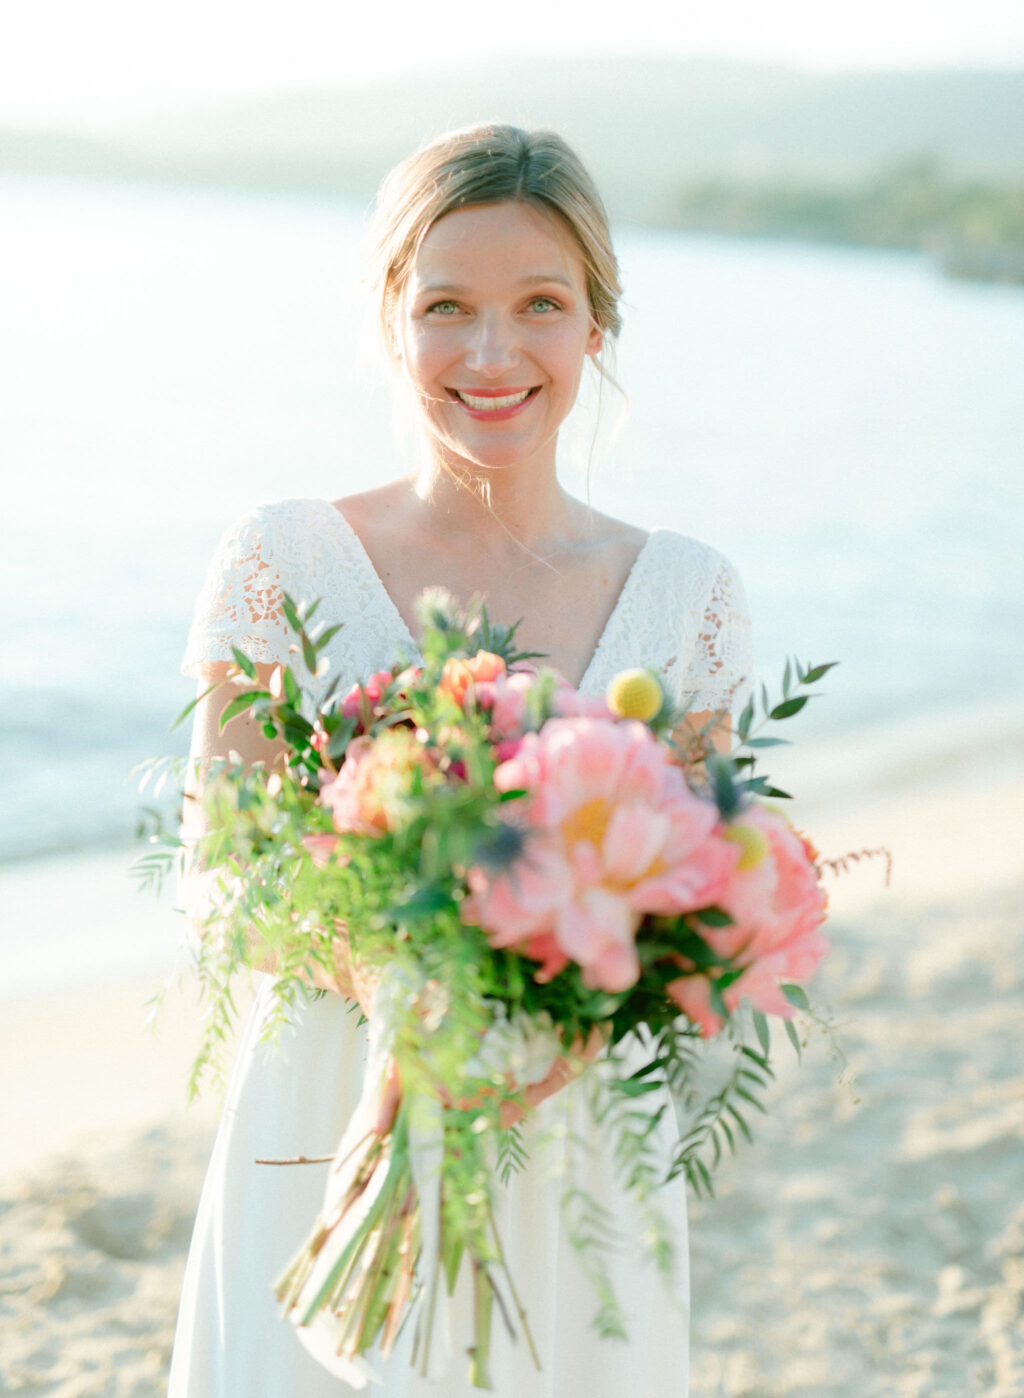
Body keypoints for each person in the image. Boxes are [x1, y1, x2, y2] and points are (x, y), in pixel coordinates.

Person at [168, 122, 753, 1397]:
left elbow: (699, 901)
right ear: (390, 321)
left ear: (596, 325)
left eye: (539, 304)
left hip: (571, 1134)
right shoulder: (281, 561)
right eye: (446, 307)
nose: (492, 354)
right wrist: (399, 985)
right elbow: (221, 872)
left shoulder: (688, 597)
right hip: (325, 1113)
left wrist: (575, 1015)